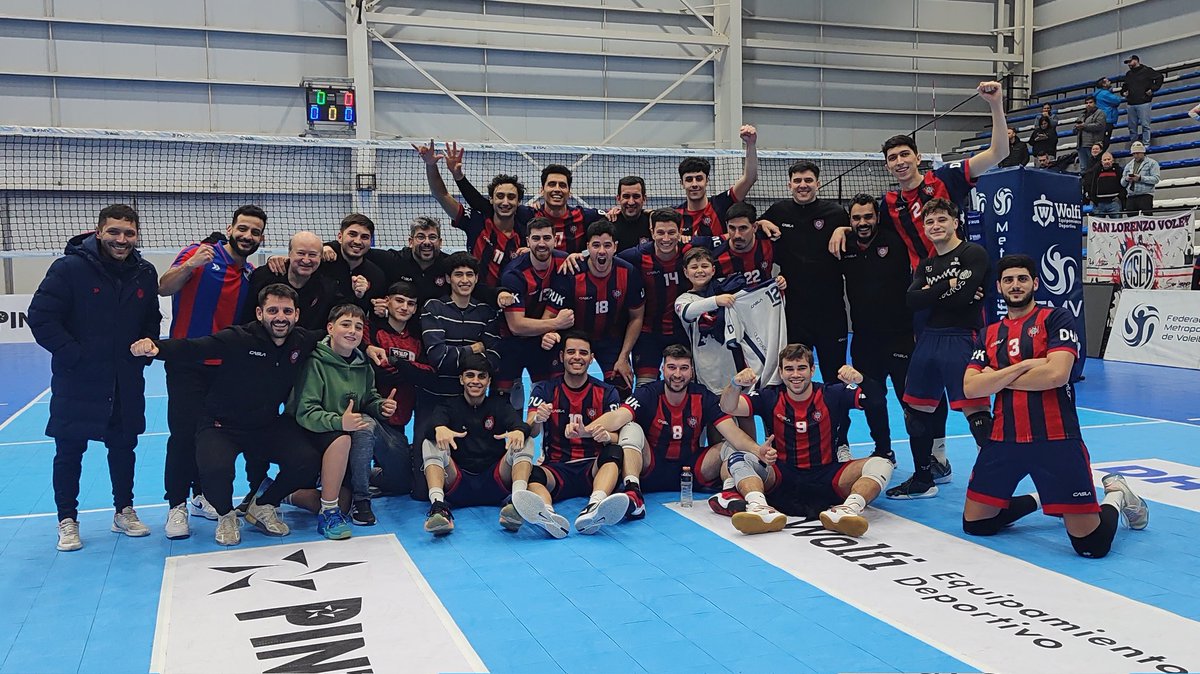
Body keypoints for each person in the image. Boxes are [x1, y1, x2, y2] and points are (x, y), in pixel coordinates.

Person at [962, 254, 1149, 558]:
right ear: (999, 286)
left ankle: (1116, 495)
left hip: (1056, 439)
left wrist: (995, 378)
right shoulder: (989, 333)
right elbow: (970, 387)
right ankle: (1043, 497)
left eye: (1022, 278)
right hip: (1003, 439)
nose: (1015, 285)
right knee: (977, 524)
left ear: (1035, 283)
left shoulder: (1056, 318)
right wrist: (1026, 366)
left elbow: (1056, 375)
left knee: (1091, 545)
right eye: (1008, 280)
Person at [130, 284, 324, 546]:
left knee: (307, 460)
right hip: (221, 426)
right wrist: (156, 348)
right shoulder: (239, 338)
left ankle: (263, 505)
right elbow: (194, 347)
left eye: (287, 311)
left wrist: (368, 346)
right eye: (273, 310)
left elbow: (335, 334)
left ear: (297, 314)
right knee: (214, 470)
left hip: (265, 425)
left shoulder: (301, 341)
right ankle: (225, 515)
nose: (280, 317)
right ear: (259, 313)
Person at [28, 205, 162, 551]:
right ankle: (67, 519)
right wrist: (74, 355)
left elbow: (151, 317)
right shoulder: (69, 268)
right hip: (78, 380)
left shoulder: (145, 272)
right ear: (99, 231)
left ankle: (123, 510)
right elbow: (41, 317)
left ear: (136, 235)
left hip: (125, 379)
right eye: (114, 231)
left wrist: (148, 343)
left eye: (129, 233)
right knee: (69, 451)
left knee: (124, 447)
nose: (121, 239)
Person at [156, 204, 264, 536]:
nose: (247, 236)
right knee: (183, 435)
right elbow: (164, 287)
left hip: (224, 369)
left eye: (255, 232)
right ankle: (176, 506)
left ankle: (200, 496)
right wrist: (190, 265)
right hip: (187, 363)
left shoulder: (249, 274)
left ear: (261, 238)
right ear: (230, 229)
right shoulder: (198, 253)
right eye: (242, 228)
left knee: (211, 436)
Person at [583, 344, 778, 522]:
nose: (677, 374)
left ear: (692, 371)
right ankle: (633, 492)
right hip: (651, 466)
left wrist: (757, 450)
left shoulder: (703, 396)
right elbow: (617, 417)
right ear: (663, 369)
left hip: (691, 470)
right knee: (630, 428)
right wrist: (585, 430)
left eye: (684, 368)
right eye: (672, 367)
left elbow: (733, 432)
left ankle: (729, 493)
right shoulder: (648, 393)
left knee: (729, 446)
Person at [719, 345, 896, 537]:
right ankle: (759, 509)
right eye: (789, 369)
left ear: (812, 370)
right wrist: (735, 384)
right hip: (781, 476)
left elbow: (877, 400)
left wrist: (860, 379)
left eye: (801, 368)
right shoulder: (769, 396)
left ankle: (848, 510)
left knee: (883, 463)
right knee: (738, 458)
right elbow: (728, 407)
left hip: (827, 476)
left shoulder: (832, 393)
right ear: (781, 372)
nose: (795, 375)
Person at [888, 198, 991, 500]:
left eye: (942, 219)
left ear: (955, 222)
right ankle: (923, 479)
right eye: (930, 222)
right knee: (915, 411)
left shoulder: (973, 253)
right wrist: (949, 285)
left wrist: (932, 293)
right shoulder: (927, 263)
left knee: (976, 411)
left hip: (962, 337)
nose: (935, 226)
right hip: (929, 338)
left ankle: (993, 480)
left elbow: (962, 299)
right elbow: (911, 300)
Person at [511, 333, 644, 537]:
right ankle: (547, 514)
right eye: (571, 352)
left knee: (614, 452)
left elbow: (619, 438)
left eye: (583, 353)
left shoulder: (607, 392)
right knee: (533, 474)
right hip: (557, 468)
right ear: (562, 356)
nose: (577, 357)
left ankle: (595, 505)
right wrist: (538, 418)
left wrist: (603, 435)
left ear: (591, 358)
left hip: (593, 468)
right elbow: (532, 430)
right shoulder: (545, 390)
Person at [286, 304, 397, 537]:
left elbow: (368, 398)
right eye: (345, 324)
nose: (352, 331)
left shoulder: (363, 363)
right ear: (330, 328)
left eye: (358, 327)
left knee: (342, 504)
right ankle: (361, 499)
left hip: (343, 440)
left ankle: (284, 493)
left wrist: (380, 405)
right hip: (313, 437)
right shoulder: (315, 362)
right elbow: (305, 412)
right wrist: (339, 422)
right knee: (363, 426)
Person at [759, 160, 851, 390]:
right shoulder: (778, 211)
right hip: (795, 313)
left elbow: (863, 230)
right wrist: (762, 222)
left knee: (835, 377)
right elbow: (751, 228)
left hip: (831, 312)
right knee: (795, 375)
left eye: (808, 180)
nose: (803, 185)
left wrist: (844, 229)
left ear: (818, 184)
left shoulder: (835, 213)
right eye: (797, 180)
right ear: (789, 184)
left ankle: (835, 414)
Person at [420, 355, 535, 535]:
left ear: (488, 381)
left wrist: (519, 431)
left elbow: (521, 425)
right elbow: (428, 429)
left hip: (494, 481)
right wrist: (439, 428)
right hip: (459, 482)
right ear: (461, 379)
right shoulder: (448, 406)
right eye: (470, 375)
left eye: (481, 376)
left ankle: (517, 503)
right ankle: (438, 507)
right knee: (431, 441)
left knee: (524, 440)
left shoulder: (499, 405)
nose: (475, 381)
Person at [838, 195, 912, 465]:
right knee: (873, 399)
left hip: (900, 337)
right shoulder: (845, 245)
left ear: (877, 217)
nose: (863, 223)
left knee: (910, 402)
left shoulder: (895, 241)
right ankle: (883, 451)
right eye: (856, 218)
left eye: (868, 216)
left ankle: (927, 461)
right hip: (864, 340)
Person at [544, 221, 645, 395]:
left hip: (611, 340)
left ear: (615, 247)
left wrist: (623, 357)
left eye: (607, 245)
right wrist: (548, 334)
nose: (602, 251)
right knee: (561, 389)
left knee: (622, 386)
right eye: (596, 245)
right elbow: (549, 317)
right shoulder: (571, 272)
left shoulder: (628, 273)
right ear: (587, 247)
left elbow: (636, 317)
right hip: (575, 338)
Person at [674, 247, 787, 398]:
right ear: (686, 272)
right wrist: (716, 301)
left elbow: (757, 301)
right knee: (714, 410)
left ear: (713, 270)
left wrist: (776, 284)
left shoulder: (730, 288)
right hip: (708, 373)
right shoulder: (684, 299)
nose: (700, 271)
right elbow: (687, 312)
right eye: (694, 267)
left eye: (704, 266)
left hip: (738, 367)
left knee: (744, 409)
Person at [416, 140, 529, 286]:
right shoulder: (475, 222)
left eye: (511, 197)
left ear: (519, 202)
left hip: (514, 295)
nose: (505, 202)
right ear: (491, 199)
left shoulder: (527, 231)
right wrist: (431, 165)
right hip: (478, 294)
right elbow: (441, 195)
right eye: (500, 196)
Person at [365, 282, 436, 498]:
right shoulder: (373, 329)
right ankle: (353, 477)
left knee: (403, 483)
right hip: (370, 412)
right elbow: (375, 369)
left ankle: (373, 475)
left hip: (400, 416)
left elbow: (428, 372)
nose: (404, 307)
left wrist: (397, 363)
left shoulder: (416, 339)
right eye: (399, 301)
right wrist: (407, 371)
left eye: (410, 304)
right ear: (387, 301)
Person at [421, 252, 502, 426]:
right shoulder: (433, 308)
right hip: (434, 399)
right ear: (448, 279)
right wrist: (473, 350)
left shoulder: (486, 313)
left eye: (469, 274)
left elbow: (493, 359)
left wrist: (455, 355)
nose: (465, 280)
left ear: (476, 278)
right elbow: (438, 357)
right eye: (458, 274)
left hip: (472, 403)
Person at [495, 217, 572, 398]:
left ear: (555, 240)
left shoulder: (566, 263)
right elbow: (516, 326)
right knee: (507, 395)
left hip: (543, 339)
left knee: (547, 392)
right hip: (511, 341)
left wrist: (578, 256)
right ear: (527, 241)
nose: (542, 244)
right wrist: (557, 323)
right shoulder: (514, 274)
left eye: (547, 238)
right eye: (536, 238)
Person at [617, 209, 690, 386]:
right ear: (652, 232)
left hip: (682, 333)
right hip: (648, 335)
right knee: (645, 388)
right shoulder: (636, 256)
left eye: (671, 232)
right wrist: (578, 256)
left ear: (680, 232)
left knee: (684, 384)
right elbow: (603, 257)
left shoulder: (690, 252)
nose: (666, 238)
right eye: (660, 232)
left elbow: (725, 241)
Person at [240, 231, 339, 330]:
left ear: (320, 257)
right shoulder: (264, 276)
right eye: (300, 253)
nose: (306, 260)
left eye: (312, 255)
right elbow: (248, 318)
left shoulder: (328, 287)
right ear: (289, 253)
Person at [675, 125, 759, 237]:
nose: (694, 184)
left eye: (699, 178)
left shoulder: (721, 204)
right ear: (682, 183)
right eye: (689, 180)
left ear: (707, 181)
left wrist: (751, 144)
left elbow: (749, 179)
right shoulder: (675, 215)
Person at [319, 213, 387, 314]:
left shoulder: (376, 276)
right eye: (352, 234)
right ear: (340, 237)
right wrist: (322, 248)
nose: (358, 241)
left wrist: (360, 297)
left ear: (370, 241)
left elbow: (372, 312)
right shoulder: (322, 262)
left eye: (364, 237)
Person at [535, 163, 608, 254]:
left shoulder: (584, 216)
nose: (557, 189)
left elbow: (612, 218)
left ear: (569, 192)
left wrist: (614, 212)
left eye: (562, 185)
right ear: (542, 190)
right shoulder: (530, 215)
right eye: (552, 184)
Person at [1120, 55, 1163, 148]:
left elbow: (1160, 77)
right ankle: (1134, 145)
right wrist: (1124, 93)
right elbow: (1124, 86)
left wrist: (1153, 89)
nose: (1129, 64)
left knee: (1145, 125)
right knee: (1132, 127)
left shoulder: (1147, 70)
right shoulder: (1129, 74)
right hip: (1131, 103)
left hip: (1144, 102)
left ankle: (1146, 144)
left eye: (1130, 62)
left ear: (1136, 60)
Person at [612, 175, 652, 251]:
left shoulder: (653, 223)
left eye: (636, 196)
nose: (631, 202)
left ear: (644, 198)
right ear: (618, 198)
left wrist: (655, 214)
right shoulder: (608, 224)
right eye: (626, 196)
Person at [1121, 141, 1160, 215]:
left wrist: (1140, 178)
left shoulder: (1152, 163)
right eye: (1134, 153)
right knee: (1131, 219)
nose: (1136, 155)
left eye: (1138, 153)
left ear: (1143, 152)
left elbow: (1156, 179)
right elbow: (1122, 183)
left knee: (1147, 218)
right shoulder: (1129, 165)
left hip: (1145, 195)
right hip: (1131, 195)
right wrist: (1126, 179)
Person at [1084, 151, 1125, 217]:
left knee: (1117, 223)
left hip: (1114, 203)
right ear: (1101, 162)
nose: (1107, 161)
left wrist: (1120, 196)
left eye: (1109, 159)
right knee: (1097, 223)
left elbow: (1123, 185)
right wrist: (1094, 199)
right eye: (1105, 160)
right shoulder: (1096, 171)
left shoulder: (1118, 170)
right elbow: (1091, 185)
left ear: (1112, 161)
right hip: (1099, 204)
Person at [1075, 96, 1107, 173]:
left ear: (1095, 103)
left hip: (1093, 145)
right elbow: (1074, 128)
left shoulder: (1100, 113)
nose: (1088, 104)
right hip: (1081, 145)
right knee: (1083, 168)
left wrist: (1084, 126)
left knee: (1094, 167)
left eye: (1090, 102)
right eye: (1086, 103)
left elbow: (1099, 126)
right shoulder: (1082, 114)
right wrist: (1076, 127)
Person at [1094, 77, 1124, 151]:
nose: (1110, 82)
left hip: (1102, 119)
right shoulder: (1105, 93)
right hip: (1107, 119)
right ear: (1104, 84)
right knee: (1105, 141)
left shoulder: (1098, 93)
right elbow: (1117, 100)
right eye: (1108, 81)